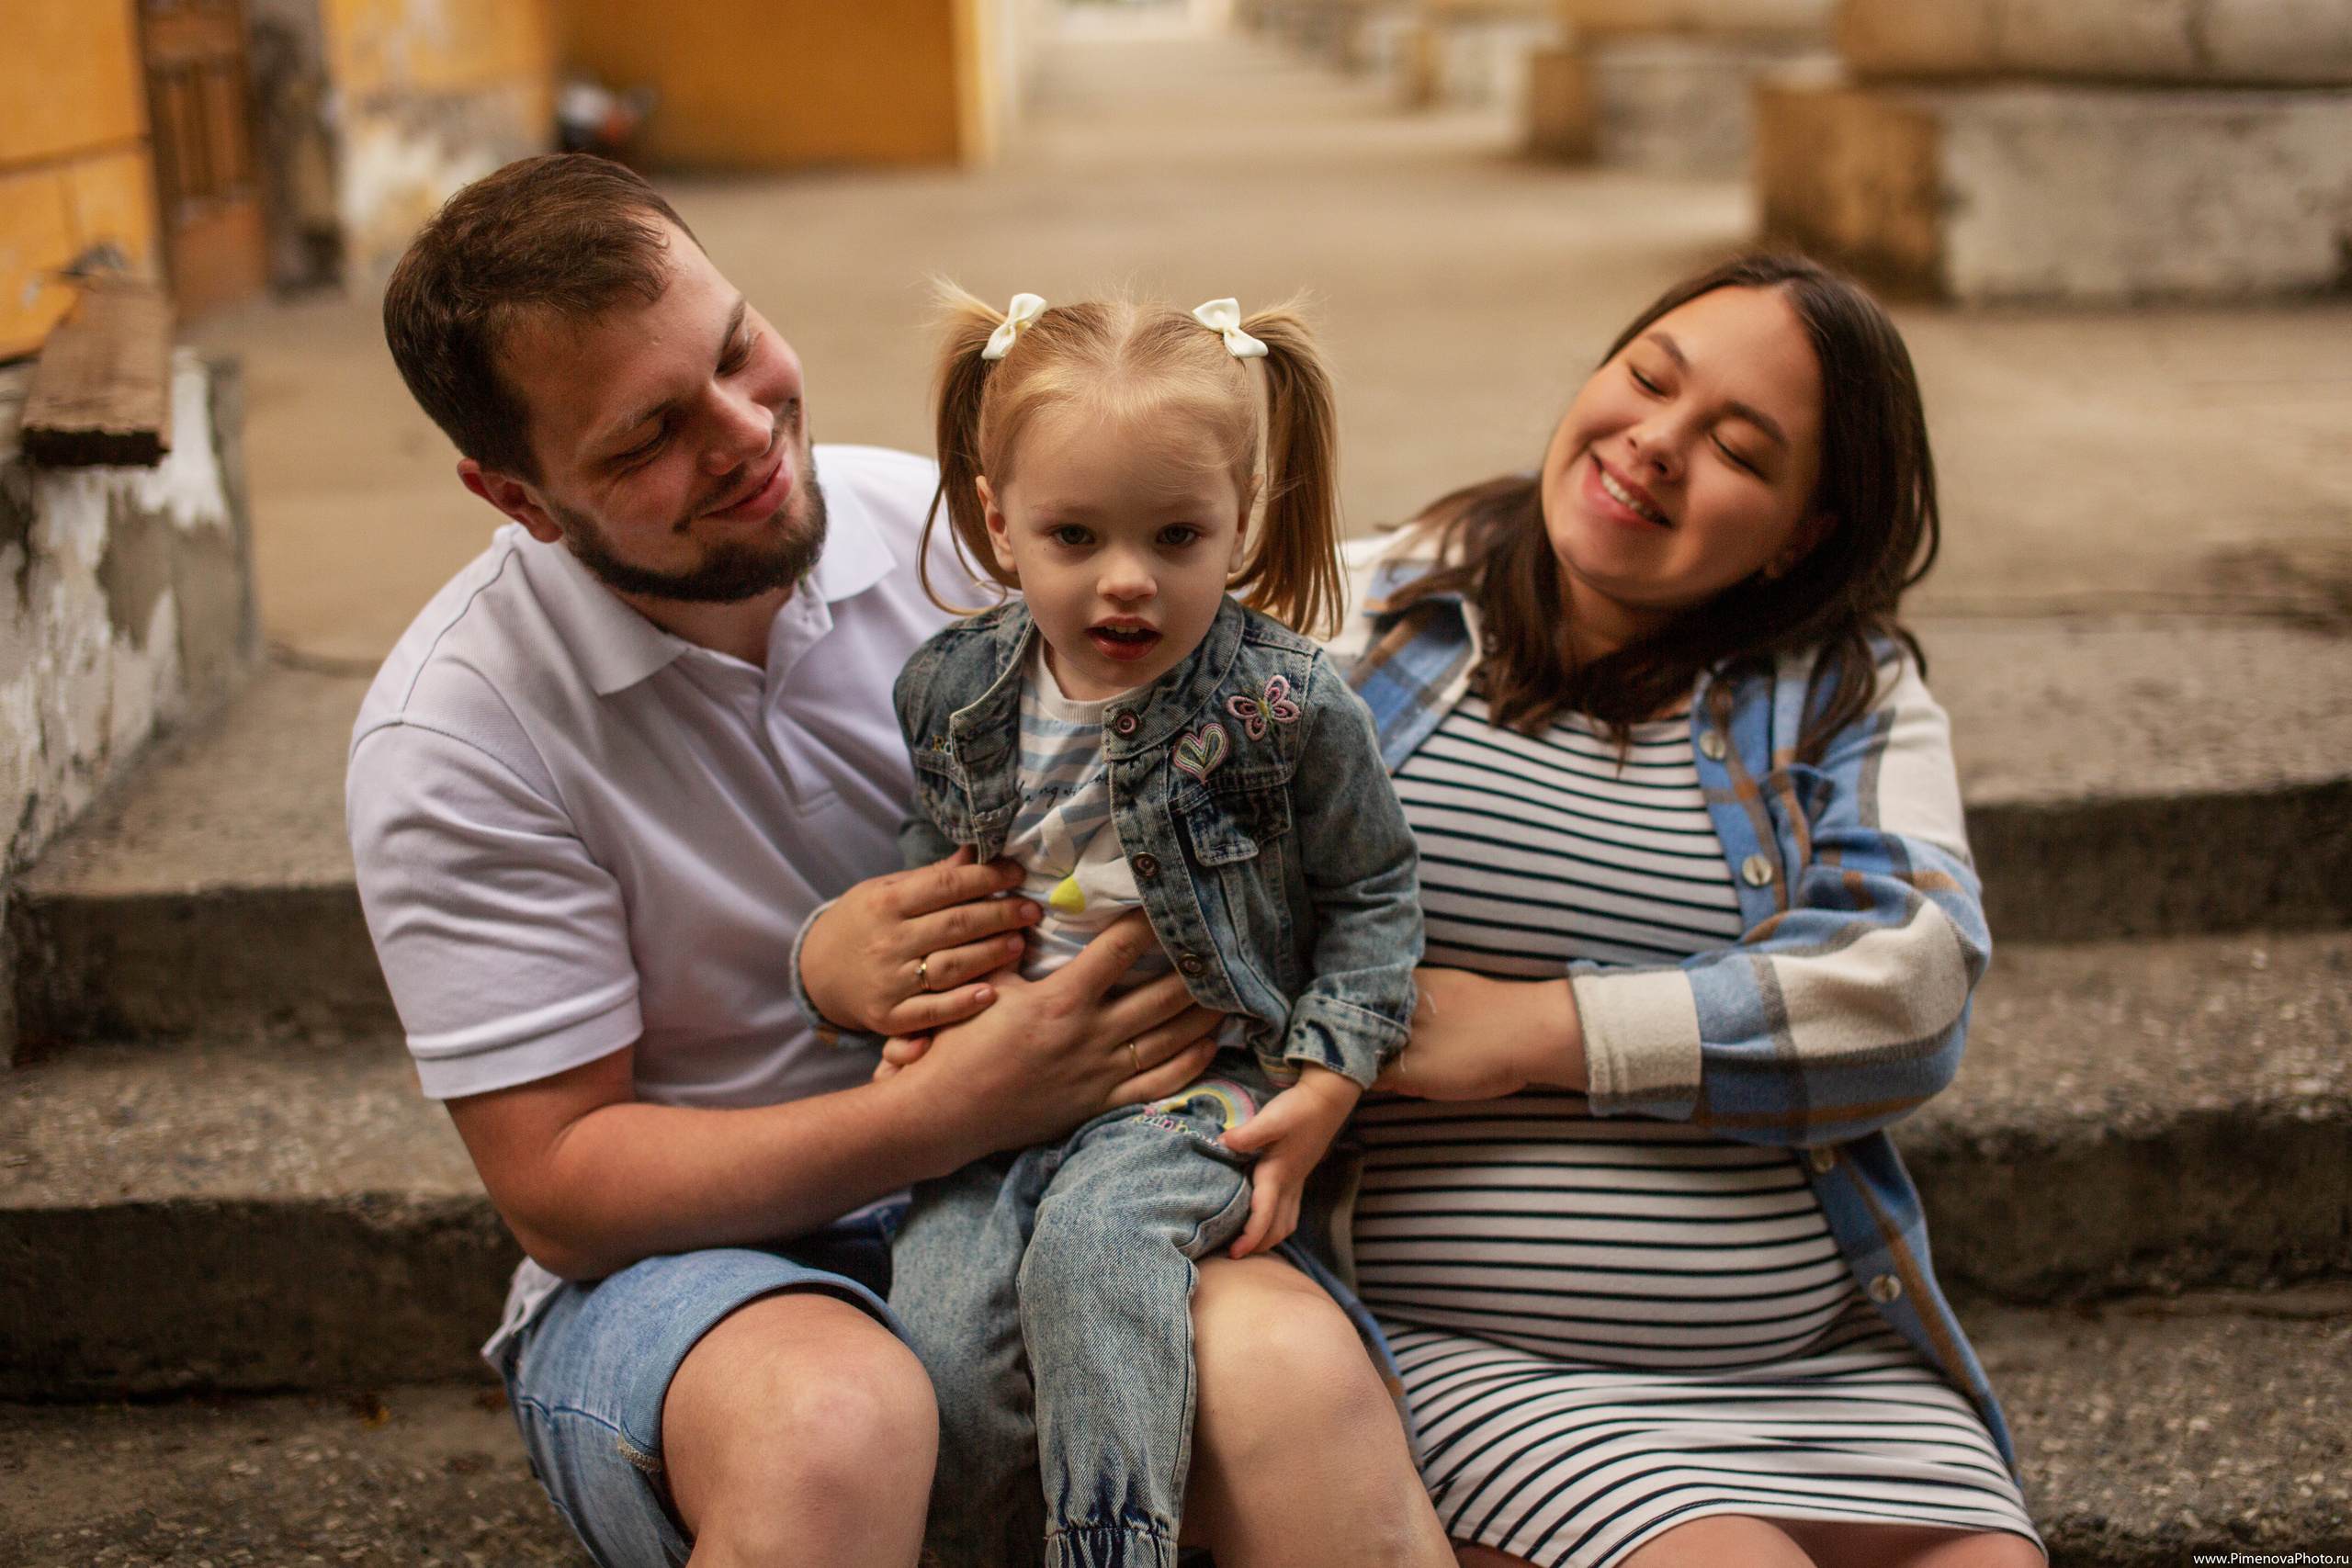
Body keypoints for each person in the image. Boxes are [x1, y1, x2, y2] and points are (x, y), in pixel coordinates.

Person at [345, 153, 1436, 1568]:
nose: (745, 432)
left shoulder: (943, 536)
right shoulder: (457, 734)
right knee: (843, 1423)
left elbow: (1224, 611)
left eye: (739, 350)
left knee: (1284, 1394)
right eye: (648, 437)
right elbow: (559, 1185)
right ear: (521, 498)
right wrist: (946, 1098)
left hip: (1086, 1158)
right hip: (707, 1273)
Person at [1320, 252, 2047, 1567]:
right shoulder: (1354, 615)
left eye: (1740, 450)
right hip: (1484, 1362)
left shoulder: (1846, 692)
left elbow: (1911, 985)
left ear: (1804, 532)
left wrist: (1543, 1031)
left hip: (1831, 1368)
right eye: (1649, 379)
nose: (1656, 445)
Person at [881, 288, 1426, 1568]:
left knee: (1095, 1253)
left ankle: (1111, 1545)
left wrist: (1336, 1071)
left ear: (1244, 525)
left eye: (1177, 535)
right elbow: (937, 863)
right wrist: (905, 1010)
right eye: (1075, 534)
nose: (1127, 581)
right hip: (993, 1081)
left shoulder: (1287, 707)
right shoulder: (954, 689)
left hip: (1198, 1080)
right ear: (995, 521)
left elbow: (1375, 892)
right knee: (943, 1333)